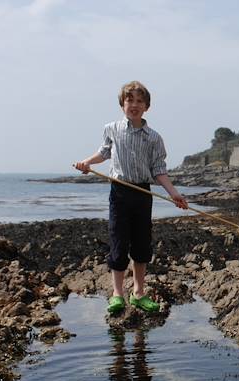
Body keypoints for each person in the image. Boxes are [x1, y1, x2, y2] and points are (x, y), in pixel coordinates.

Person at [75, 81, 188, 315]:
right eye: (130, 100)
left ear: (146, 106)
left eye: (139, 101)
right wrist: (87, 163)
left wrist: (174, 194)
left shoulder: (154, 137)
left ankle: (138, 293)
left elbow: (159, 170)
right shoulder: (112, 129)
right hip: (119, 192)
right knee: (118, 241)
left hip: (142, 193)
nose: (134, 105)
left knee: (141, 243)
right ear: (122, 104)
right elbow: (103, 153)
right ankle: (117, 294)